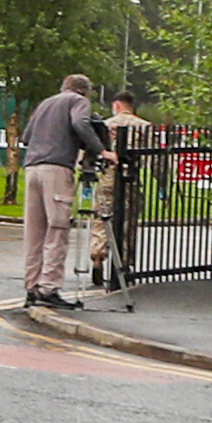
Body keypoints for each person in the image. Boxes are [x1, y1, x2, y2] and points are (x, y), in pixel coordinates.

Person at [18, 72, 107, 310]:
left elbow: (26, 137)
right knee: (57, 230)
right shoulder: (78, 102)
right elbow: (80, 123)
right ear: (84, 91)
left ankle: (32, 287)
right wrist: (100, 150)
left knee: (35, 233)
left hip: (32, 168)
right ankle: (49, 289)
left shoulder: (45, 103)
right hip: (56, 169)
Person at [89, 90, 154, 280]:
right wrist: (162, 182)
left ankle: (97, 258)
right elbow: (155, 158)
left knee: (101, 218)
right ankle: (125, 262)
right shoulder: (144, 127)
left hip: (107, 177)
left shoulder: (106, 126)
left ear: (116, 105)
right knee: (128, 221)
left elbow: (91, 153)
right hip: (130, 177)